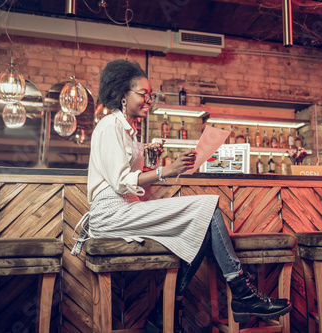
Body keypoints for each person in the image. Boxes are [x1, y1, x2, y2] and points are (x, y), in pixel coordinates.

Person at [72, 59, 292, 332]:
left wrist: (166, 166)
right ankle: (241, 291)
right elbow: (119, 183)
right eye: (143, 94)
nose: (148, 100)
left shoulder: (131, 131)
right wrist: (166, 170)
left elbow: (136, 181)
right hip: (111, 213)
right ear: (122, 95)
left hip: (129, 208)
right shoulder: (109, 126)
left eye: (150, 95)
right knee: (207, 207)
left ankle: (163, 313)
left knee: (196, 228)